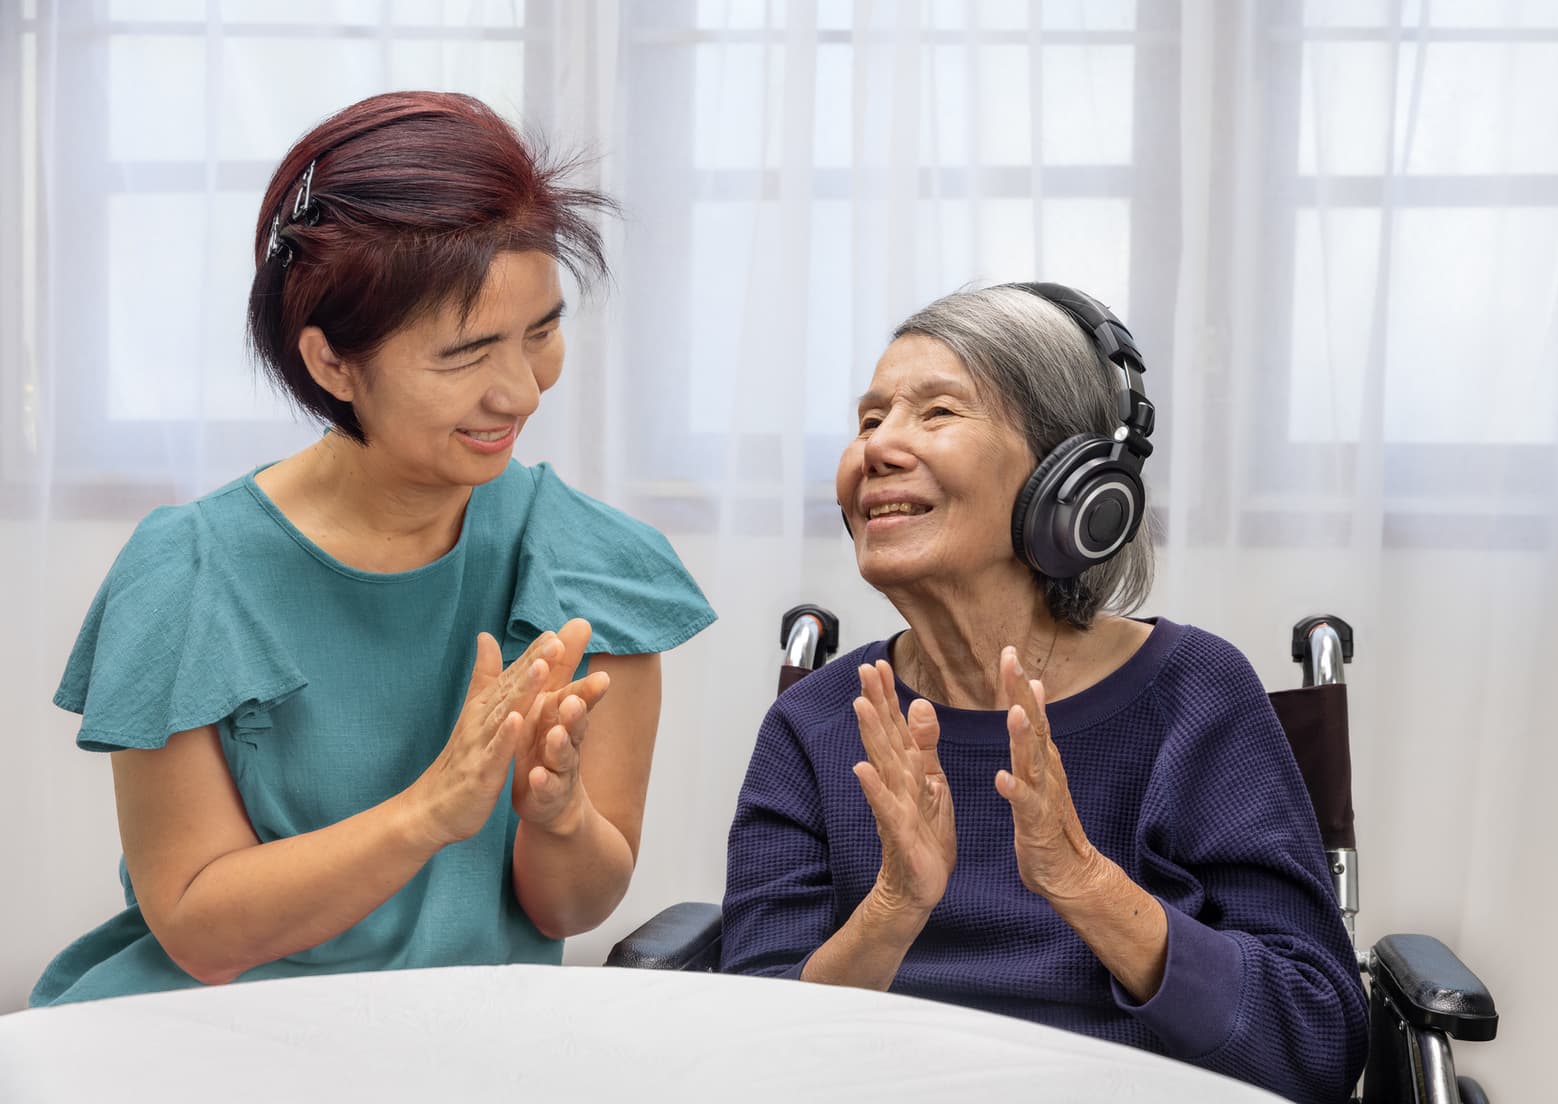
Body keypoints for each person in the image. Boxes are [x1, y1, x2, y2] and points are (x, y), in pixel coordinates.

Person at [31, 92, 714, 1007]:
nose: (521, 391)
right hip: (200, 1036)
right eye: (467, 354)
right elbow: (200, 933)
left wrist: (557, 817)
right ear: (331, 364)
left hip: (455, 1046)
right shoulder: (189, 573)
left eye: (542, 333)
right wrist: (432, 811)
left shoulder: (594, 564)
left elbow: (570, 910)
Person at [719, 283, 1368, 1102]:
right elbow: (750, 1047)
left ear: (1071, 478)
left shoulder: (1196, 697)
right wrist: (895, 906)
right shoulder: (814, 725)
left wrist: (1084, 883)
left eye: (939, 413)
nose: (879, 447)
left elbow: (1315, 1043)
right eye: (869, 419)